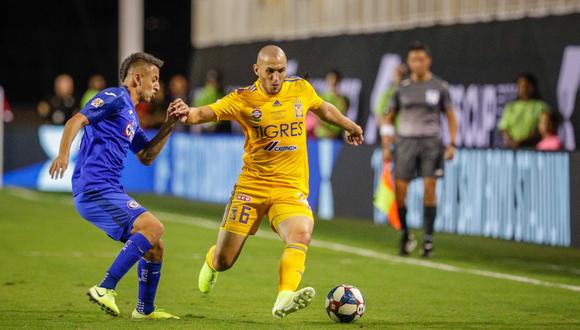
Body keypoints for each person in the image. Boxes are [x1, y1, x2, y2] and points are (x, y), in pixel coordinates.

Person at [170, 45, 364, 319]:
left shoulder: (300, 89)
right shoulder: (242, 99)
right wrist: (185, 112)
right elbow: (204, 114)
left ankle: (284, 297)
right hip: (251, 187)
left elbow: (324, 109)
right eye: (270, 71)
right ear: (257, 70)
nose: (276, 77)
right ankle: (211, 262)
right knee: (225, 260)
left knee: (301, 233)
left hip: (289, 188)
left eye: (281, 71)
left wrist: (349, 125)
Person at [48, 52, 180, 319]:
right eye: (154, 79)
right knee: (153, 226)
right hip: (94, 188)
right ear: (137, 77)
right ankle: (105, 287)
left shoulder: (130, 113)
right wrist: (63, 154)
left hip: (108, 189)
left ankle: (145, 309)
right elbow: (76, 120)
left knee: (155, 245)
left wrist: (169, 124)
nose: (157, 85)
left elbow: (146, 156)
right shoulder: (115, 97)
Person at [381, 42, 457, 258]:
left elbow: (451, 116)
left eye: (421, 59)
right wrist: (387, 144)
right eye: (413, 59)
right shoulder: (401, 89)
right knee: (401, 191)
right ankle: (406, 234)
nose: (417, 63)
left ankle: (428, 240)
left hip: (431, 143)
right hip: (405, 142)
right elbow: (388, 118)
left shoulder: (439, 87)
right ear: (409, 62)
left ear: (428, 61)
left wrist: (452, 143)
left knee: (429, 187)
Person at [498, 73, 549, 148]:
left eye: (525, 86)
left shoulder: (541, 106)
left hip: (533, 147)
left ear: (532, 87)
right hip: (512, 148)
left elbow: (542, 128)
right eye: (520, 86)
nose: (523, 89)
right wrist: (511, 142)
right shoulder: (511, 106)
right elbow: (503, 127)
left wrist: (524, 142)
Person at [193, 69, 231, 133]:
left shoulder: (223, 93)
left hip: (218, 126)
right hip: (205, 127)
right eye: (212, 81)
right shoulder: (203, 94)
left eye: (216, 81)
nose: (215, 84)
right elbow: (197, 112)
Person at [314, 70, 349, 139]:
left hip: (337, 135)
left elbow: (344, 112)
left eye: (334, 79)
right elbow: (317, 115)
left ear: (338, 80)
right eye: (330, 78)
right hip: (322, 135)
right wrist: (327, 131)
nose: (332, 81)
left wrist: (338, 94)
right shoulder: (322, 96)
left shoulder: (344, 98)